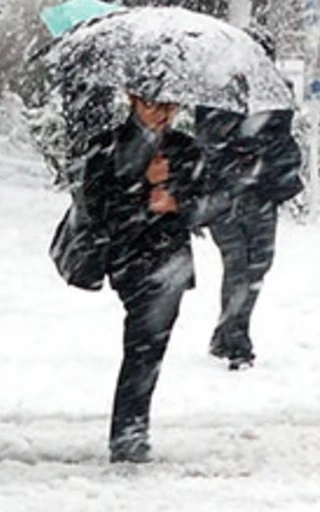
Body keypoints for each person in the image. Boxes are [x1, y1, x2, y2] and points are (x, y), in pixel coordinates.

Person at [79, 82, 204, 463]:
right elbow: (98, 206)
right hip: (130, 259)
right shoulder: (107, 145)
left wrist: (176, 200)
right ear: (133, 100)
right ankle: (129, 433)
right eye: (154, 104)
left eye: (172, 104)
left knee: (148, 349)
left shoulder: (185, 148)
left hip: (170, 260)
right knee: (142, 346)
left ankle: (131, 429)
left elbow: (209, 203)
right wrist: (141, 185)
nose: (163, 113)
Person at [196, 104, 303, 370]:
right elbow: (207, 147)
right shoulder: (217, 97)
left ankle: (226, 333)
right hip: (225, 197)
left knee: (258, 265)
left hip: (262, 196)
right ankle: (237, 343)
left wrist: (263, 158)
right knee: (238, 265)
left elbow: (286, 147)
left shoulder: (273, 100)